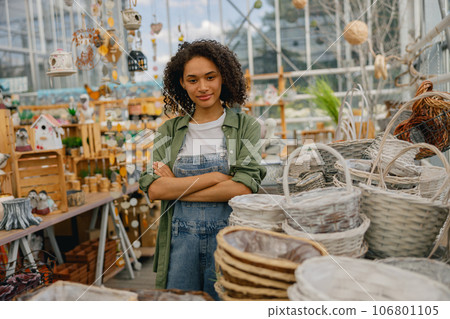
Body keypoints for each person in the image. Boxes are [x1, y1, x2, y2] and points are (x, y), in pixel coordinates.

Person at [139, 39, 266, 299]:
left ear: (223, 78)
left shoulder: (246, 127)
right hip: (180, 245)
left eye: (210, 77)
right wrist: (215, 178)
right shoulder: (169, 131)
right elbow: (154, 188)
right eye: (193, 80)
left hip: (228, 242)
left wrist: (176, 188)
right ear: (182, 83)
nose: (203, 87)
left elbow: (244, 186)